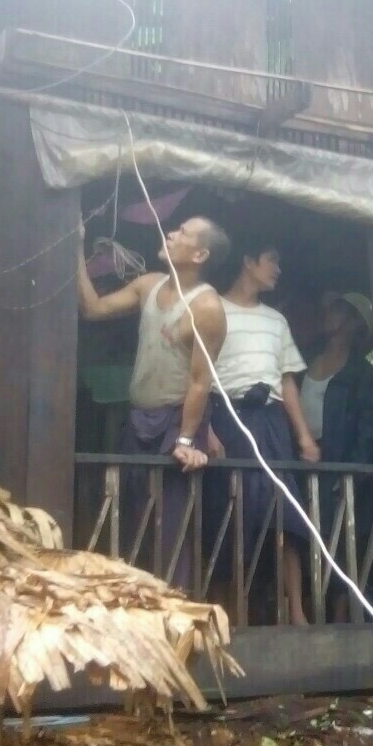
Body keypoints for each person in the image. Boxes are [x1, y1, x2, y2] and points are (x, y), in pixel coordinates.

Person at [77, 216, 229, 588]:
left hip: (176, 421)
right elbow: (93, 309)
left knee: (171, 526)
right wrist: (75, 247)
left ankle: (177, 606)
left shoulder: (207, 307)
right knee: (133, 517)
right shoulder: (148, 284)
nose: (170, 233)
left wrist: (185, 439)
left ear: (200, 254)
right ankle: (137, 599)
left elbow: (199, 381)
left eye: (182, 233)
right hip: (139, 418)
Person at [206, 239, 320, 627]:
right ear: (248, 261)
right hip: (228, 418)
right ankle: (230, 614)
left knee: (285, 514)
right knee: (230, 515)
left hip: (271, 423)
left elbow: (286, 382)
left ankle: (296, 612)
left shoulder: (276, 321)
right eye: (272, 260)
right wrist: (206, 428)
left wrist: (303, 437)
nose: (278, 269)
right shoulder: (212, 309)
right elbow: (197, 374)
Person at [302, 292, 373, 620]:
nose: (327, 313)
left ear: (352, 323)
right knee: (299, 537)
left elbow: (368, 433)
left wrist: (350, 474)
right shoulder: (304, 360)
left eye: (336, 309)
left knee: (340, 546)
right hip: (300, 461)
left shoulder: (362, 375)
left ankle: (337, 619)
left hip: (337, 469)